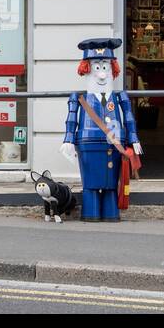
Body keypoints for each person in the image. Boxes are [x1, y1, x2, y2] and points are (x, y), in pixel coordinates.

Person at [60, 38, 143, 222]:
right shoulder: (79, 98)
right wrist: (68, 140)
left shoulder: (120, 96)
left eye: (105, 67)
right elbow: (71, 119)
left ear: (112, 69)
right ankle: (91, 213)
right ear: (87, 69)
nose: (102, 75)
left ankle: (111, 212)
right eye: (97, 68)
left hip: (115, 142)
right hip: (88, 142)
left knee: (111, 185)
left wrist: (134, 138)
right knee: (90, 184)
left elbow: (129, 118)